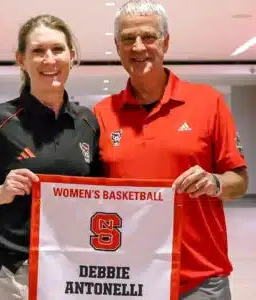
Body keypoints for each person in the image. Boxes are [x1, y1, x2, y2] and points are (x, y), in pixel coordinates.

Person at [93, 1, 248, 299]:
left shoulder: (208, 102)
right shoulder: (102, 113)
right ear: (117, 46)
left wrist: (214, 183)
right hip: (127, 279)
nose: (138, 47)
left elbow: (239, 181)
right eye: (128, 38)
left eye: (148, 36)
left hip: (200, 279)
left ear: (165, 42)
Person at [0, 15, 100, 300]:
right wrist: (1, 192)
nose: (49, 59)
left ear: (72, 56)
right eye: (38, 50)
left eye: (58, 49)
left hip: (73, 272)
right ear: (21, 59)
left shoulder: (87, 123)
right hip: (13, 274)